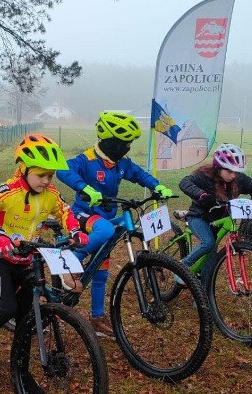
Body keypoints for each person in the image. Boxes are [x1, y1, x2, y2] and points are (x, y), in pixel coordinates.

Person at [0, 134, 88, 389]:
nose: (46, 181)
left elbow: (65, 211)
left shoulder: (50, 194)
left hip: (30, 259)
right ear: (24, 168)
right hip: (1, 258)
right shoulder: (9, 191)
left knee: (27, 320)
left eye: (50, 176)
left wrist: (74, 230)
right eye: (41, 175)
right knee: (4, 309)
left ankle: (21, 372)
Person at [56, 111, 173, 335]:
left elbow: (139, 174)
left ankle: (97, 319)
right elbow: (63, 169)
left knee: (101, 274)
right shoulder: (86, 159)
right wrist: (84, 188)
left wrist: (157, 186)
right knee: (107, 229)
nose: (127, 147)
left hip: (106, 218)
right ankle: (70, 264)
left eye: (129, 143)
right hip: (84, 215)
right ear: (108, 140)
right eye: (123, 143)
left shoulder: (121, 164)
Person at [178, 143, 252, 272]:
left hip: (218, 221)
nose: (233, 175)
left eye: (236, 172)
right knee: (208, 243)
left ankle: (205, 289)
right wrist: (202, 195)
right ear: (219, 167)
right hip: (199, 217)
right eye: (230, 171)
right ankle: (182, 268)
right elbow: (185, 182)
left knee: (211, 257)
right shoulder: (205, 176)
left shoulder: (237, 179)